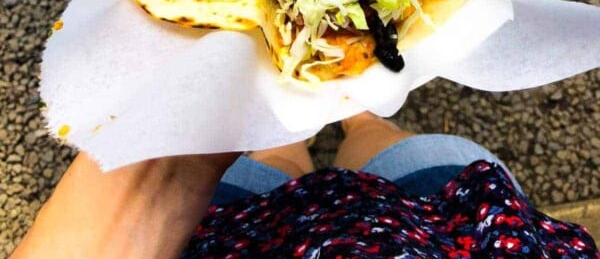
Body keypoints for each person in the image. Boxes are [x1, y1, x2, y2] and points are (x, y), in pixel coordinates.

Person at [11, 112, 598, 259]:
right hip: (446, 227)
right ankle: (361, 112)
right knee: (394, 141)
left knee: (270, 155)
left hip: (228, 230)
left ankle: (294, 124)